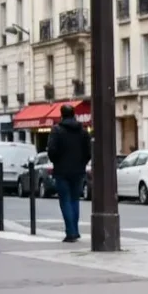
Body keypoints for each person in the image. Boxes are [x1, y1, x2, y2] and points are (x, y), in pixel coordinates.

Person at [46, 104, 91, 243]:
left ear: (62, 114)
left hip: (62, 171)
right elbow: (88, 152)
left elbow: (51, 151)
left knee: (65, 200)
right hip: (78, 171)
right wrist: (82, 164)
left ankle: (70, 232)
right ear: (74, 114)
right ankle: (75, 230)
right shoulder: (83, 131)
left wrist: (57, 162)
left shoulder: (57, 130)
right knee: (74, 200)